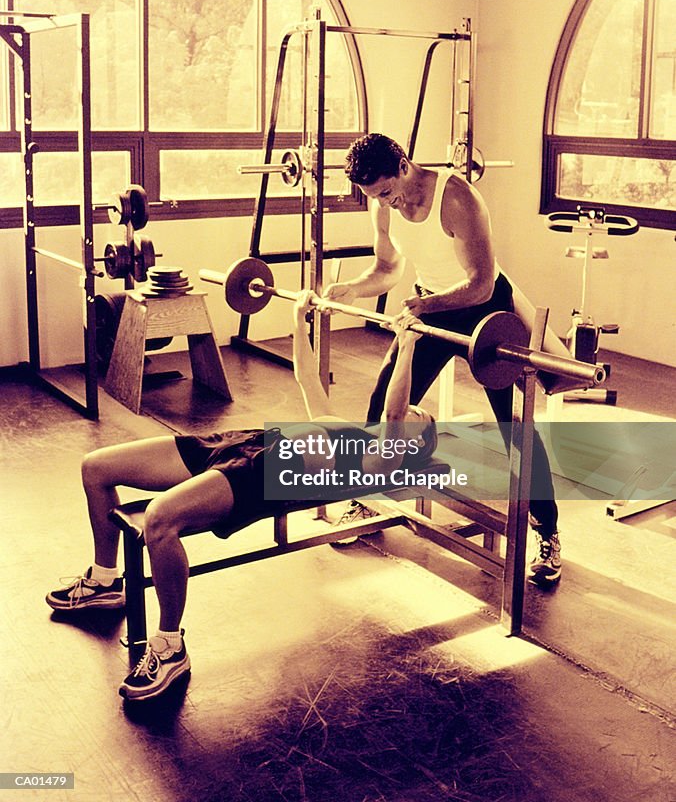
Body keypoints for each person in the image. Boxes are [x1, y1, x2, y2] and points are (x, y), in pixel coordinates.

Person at [46, 295, 437, 703]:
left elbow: (393, 415)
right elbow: (307, 380)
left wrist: (407, 343)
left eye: (419, 418)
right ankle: (106, 580)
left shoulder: (384, 460)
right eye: (414, 409)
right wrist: (297, 319)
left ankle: (169, 646)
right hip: (243, 443)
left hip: (268, 474)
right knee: (96, 467)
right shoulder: (348, 429)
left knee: (161, 519)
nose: (412, 411)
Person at [324, 133, 561, 586]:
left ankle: (547, 532)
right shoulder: (382, 205)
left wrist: (421, 308)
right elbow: (388, 268)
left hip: (483, 313)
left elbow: (482, 284)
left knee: (514, 427)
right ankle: (364, 496)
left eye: (387, 192)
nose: (386, 203)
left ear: (403, 165)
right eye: (375, 198)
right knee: (381, 404)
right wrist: (353, 287)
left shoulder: (458, 198)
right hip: (430, 305)